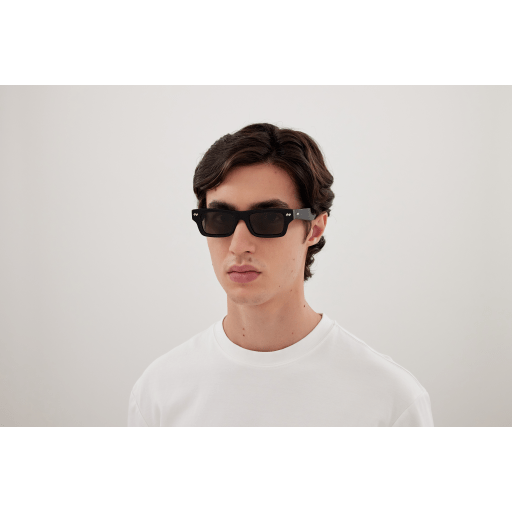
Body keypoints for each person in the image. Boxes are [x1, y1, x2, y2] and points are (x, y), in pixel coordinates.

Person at [127, 122, 434, 427]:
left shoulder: (391, 401)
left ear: (315, 228)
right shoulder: (158, 393)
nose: (238, 245)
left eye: (269, 219)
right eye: (220, 218)